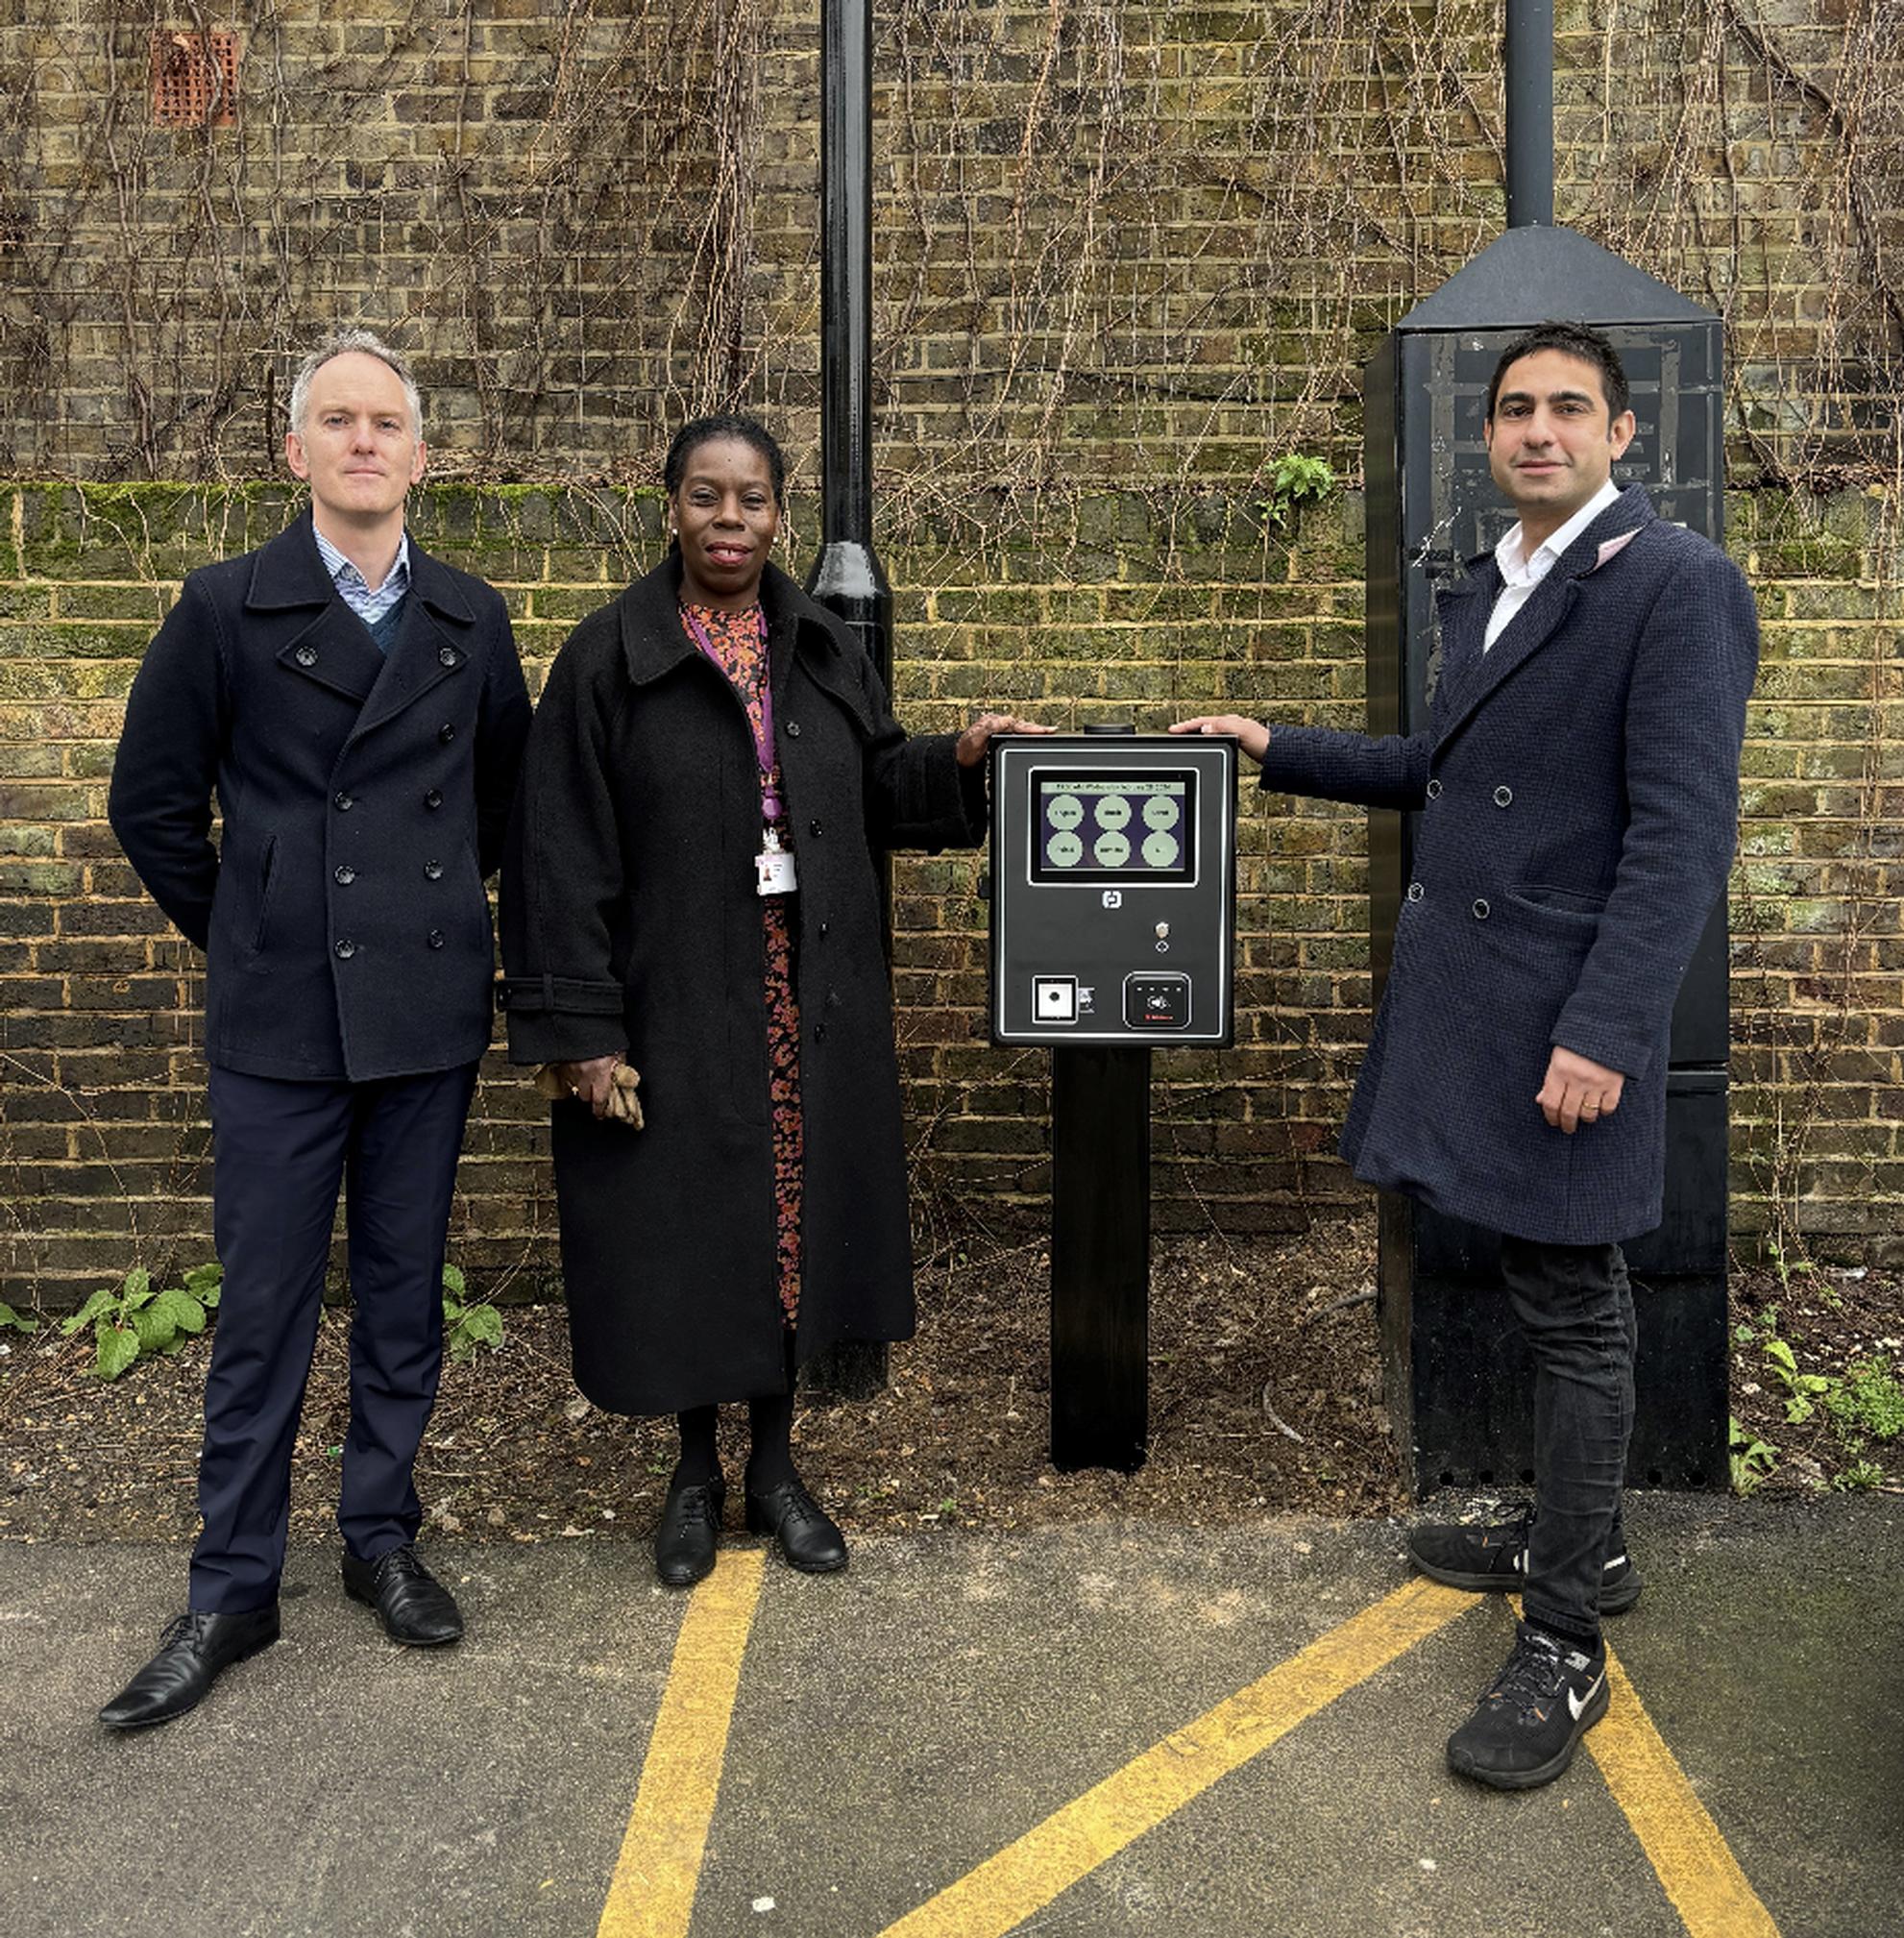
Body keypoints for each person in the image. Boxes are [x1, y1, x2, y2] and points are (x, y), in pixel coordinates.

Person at [1174, 320, 1758, 1790]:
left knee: (1573, 1300)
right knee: (1531, 1277)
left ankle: (1565, 1631)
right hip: (1477, 1000)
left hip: (1563, 1015)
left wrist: (1607, 1029)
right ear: (1486, 436)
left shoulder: (1675, 587)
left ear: (1625, 435)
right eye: (1514, 410)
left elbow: (1682, 836)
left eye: (1569, 408)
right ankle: (1581, 1530)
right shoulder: (1483, 584)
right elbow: (1447, 765)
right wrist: (1275, 744)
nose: (1537, 431)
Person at [500, 414, 1043, 1587]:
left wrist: (955, 762)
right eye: (706, 497)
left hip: (807, 1004)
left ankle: (777, 1467)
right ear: (670, 509)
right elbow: (558, 855)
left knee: (792, 1241)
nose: (729, 521)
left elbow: (870, 785)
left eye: (750, 501)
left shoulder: (821, 646)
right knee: (688, 1236)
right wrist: (581, 1032)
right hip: (677, 1007)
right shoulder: (604, 660)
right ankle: (694, 1473)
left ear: (778, 515)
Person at [102, 330, 531, 1728]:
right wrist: (258, 919)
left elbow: (513, 820)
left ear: (419, 454)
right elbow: (151, 806)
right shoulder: (225, 606)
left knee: (405, 1297)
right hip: (279, 1019)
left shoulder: (472, 619)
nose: (361, 441)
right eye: (335, 421)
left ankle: (380, 1538)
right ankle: (232, 1585)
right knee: (266, 1307)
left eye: (385, 422)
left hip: (424, 1011)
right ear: (294, 451)